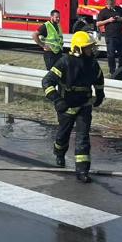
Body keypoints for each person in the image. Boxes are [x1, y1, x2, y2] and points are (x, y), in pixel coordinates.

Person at [41, 29, 105, 183]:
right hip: (66, 105)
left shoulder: (92, 63)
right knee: (63, 135)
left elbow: (99, 80)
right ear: (78, 49)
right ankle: (59, 154)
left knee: (83, 137)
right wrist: (57, 100)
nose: (91, 50)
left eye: (91, 47)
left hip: (84, 105)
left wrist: (100, 94)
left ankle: (82, 171)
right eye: (88, 47)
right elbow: (47, 82)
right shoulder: (64, 62)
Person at [96, 1, 122, 74]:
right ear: (107, 4)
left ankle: (121, 69)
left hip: (120, 35)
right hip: (110, 36)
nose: (112, 7)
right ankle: (112, 71)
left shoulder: (119, 9)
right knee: (111, 55)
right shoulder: (103, 11)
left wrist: (120, 18)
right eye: (110, 6)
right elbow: (98, 23)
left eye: (113, 5)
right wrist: (109, 20)